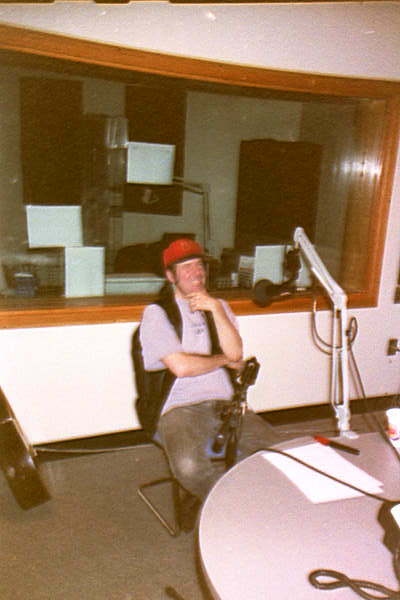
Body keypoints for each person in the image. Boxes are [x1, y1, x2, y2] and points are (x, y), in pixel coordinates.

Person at [137, 238, 285, 531]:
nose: (196, 272)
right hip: (178, 409)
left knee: (280, 453)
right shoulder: (157, 314)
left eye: (199, 265)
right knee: (190, 467)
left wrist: (216, 308)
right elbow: (182, 367)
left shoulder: (220, 307)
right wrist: (222, 360)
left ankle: (228, 501)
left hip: (225, 404)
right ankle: (237, 514)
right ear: (170, 276)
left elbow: (236, 354)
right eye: (186, 267)